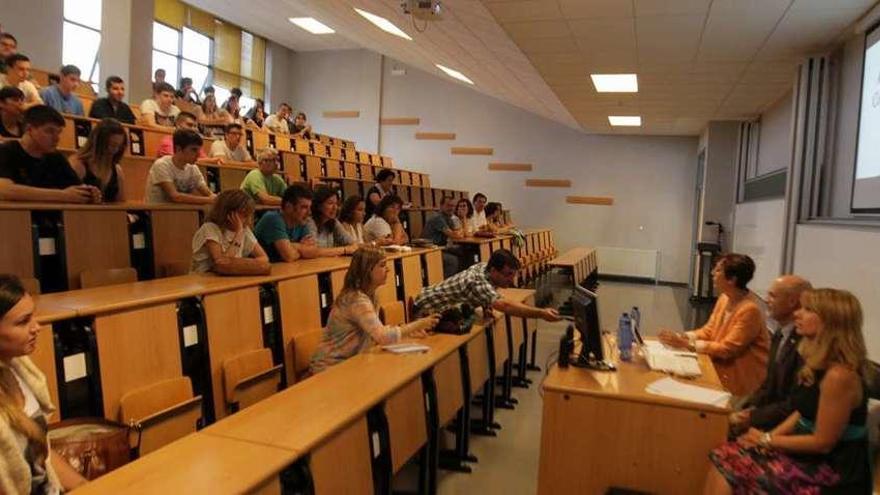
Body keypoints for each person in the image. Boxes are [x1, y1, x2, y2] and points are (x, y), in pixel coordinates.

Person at [704, 288, 872, 495]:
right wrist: (768, 438)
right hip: (811, 453)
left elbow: (823, 443)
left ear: (831, 322)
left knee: (733, 467)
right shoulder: (818, 362)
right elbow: (801, 412)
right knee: (723, 455)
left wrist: (767, 440)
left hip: (832, 468)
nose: (797, 314)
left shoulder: (839, 376)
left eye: (808, 310)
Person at [0, 275, 89, 494]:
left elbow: (43, 453)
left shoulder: (19, 368)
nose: (36, 327)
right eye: (23, 322)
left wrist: (85, 487)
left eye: (33, 317)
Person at [310, 247, 439, 374]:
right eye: (382, 265)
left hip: (350, 362)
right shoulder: (356, 300)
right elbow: (383, 337)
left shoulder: (371, 296)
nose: (388, 269)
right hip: (330, 367)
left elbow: (375, 332)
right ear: (367, 270)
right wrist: (418, 324)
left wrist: (408, 331)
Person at [659, 254, 770, 397]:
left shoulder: (750, 310)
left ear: (732, 279)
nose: (712, 273)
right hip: (720, 371)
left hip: (739, 386)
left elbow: (727, 349)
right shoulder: (725, 298)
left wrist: (687, 344)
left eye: (718, 270)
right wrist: (683, 336)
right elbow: (709, 330)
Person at [729, 275, 813, 434]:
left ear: (792, 302)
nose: (766, 300)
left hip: (783, 428)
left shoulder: (806, 345)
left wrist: (752, 418)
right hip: (770, 416)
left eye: (772, 295)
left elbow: (793, 404)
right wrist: (748, 411)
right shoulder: (780, 333)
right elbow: (768, 385)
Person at [413, 248, 561, 322]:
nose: (511, 280)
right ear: (494, 270)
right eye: (507, 274)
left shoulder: (486, 268)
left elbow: (479, 293)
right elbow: (505, 306)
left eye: (513, 275)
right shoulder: (477, 281)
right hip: (424, 313)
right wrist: (541, 313)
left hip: (441, 310)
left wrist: (486, 305)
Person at [0, 105, 99, 203]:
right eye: (49, 131)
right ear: (29, 129)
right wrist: (63, 195)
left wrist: (88, 194)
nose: (57, 138)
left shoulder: (56, 157)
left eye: (59, 132)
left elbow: (76, 189)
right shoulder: (6, 151)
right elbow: (4, 190)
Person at [190, 190, 270, 275]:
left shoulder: (244, 230)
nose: (249, 220)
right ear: (228, 213)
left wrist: (242, 263)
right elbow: (223, 263)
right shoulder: (209, 228)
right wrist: (238, 233)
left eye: (250, 215)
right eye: (245, 215)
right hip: (203, 280)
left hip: (230, 277)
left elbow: (263, 258)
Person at [145, 129, 215, 204]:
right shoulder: (161, 164)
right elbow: (175, 197)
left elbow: (208, 193)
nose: (198, 154)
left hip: (179, 214)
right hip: (156, 213)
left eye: (199, 150)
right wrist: (209, 200)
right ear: (179, 149)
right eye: (194, 150)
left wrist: (216, 198)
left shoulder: (193, 168)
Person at [67, 118, 128, 202]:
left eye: (119, 146)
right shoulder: (77, 165)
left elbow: (122, 205)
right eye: (112, 145)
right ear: (99, 143)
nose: (115, 150)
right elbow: (67, 200)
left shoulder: (117, 170)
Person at [253, 184, 318, 262]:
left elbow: (314, 251)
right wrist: (301, 247)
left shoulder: (301, 221)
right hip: (263, 271)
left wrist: (292, 246)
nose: (309, 212)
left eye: (309, 207)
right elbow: (289, 256)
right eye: (304, 207)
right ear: (288, 207)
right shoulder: (273, 218)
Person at [304, 186, 358, 256]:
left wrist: (349, 248)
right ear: (319, 206)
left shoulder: (334, 222)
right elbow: (313, 251)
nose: (335, 207)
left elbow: (352, 243)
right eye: (330, 203)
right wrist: (345, 250)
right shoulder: (310, 222)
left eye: (336, 204)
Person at [424, 196, 465, 276]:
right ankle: (444, 283)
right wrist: (458, 233)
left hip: (441, 248)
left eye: (453, 206)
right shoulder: (437, 218)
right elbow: (455, 235)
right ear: (441, 206)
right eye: (448, 205)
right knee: (452, 260)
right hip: (430, 250)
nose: (452, 208)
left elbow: (459, 233)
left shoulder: (449, 218)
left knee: (465, 251)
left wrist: (459, 231)